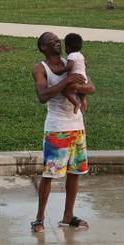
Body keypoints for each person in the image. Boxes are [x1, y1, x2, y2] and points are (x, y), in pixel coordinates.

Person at [31, 32, 96, 234]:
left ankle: (68, 216)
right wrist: (67, 83)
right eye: (52, 41)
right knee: (49, 175)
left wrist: (79, 88)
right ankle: (39, 219)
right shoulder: (40, 69)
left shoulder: (73, 61)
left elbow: (91, 86)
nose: (57, 43)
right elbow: (43, 95)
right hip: (57, 128)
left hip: (76, 127)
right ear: (43, 47)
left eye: (58, 40)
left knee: (75, 173)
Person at [62, 32, 89, 114]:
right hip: (84, 79)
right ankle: (83, 100)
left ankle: (76, 103)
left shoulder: (71, 56)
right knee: (81, 94)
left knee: (67, 92)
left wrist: (62, 69)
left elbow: (70, 66)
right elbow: (86, 64)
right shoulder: (80, 55)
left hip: (75, 79)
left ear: (68, 48)